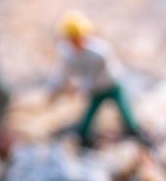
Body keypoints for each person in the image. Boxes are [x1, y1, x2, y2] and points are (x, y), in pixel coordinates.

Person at [51, 10, 148, 148]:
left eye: (78, 37)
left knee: (125, 112)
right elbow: (62, 73)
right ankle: (84, 137)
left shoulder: (99, 52)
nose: (77, 41)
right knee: (89, 116)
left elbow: (92, 76)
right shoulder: (67, 54)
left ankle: (134, 133)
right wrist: (55, 88)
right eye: (72, 38)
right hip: (96, 90)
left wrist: (79, 88)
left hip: (112, 84)